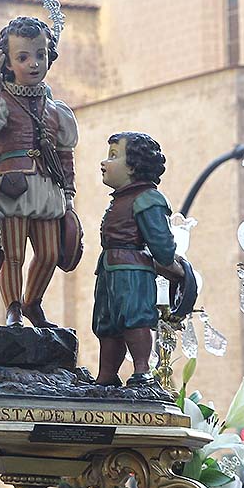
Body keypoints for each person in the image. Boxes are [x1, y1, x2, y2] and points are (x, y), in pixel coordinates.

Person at [0, 16, 79, 328]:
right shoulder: (2, 98)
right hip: (12, 185)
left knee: (48, 253)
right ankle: (13, 308)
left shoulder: (55, 109)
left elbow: (64, 152)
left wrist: (69, 193)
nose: (34, 64)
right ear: (8, 61)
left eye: (40, 55)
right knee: (13, 254)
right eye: (23, 57)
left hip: (47, 186)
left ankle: (33, 303)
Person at [92, 132, 184, 387]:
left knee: (135, 319)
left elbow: (161, 242)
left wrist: (170, 263)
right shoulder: (120, 199)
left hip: (132, 271)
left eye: (113, 156)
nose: (104, 163)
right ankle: (107, 375)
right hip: (109, 269)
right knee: (107, 324)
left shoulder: (148, 198)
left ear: (134, 165)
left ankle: (142, 370)